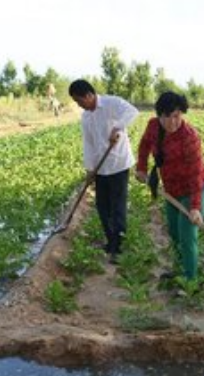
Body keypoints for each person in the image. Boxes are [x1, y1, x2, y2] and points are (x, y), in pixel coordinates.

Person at [136, 91, 204, 280]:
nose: (171, 122)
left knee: (187, 235)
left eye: (176, 116)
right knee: (174, 232)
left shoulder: (189, 137)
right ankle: (180, 269)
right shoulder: (153, 127)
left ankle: (190, 281)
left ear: (182, 114)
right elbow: (144, 145)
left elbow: (195, 175)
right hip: (171, 189)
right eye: (166, 116)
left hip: (193, 188)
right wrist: (141, 168)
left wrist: (194, 207)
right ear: (159, 115)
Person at [69, 79, 139, 263]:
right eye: (76, 103)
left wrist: (118, 127)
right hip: (101, 168)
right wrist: (89, 169)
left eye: (79, 101)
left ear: (89, 95)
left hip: (118, 164)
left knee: (117, 207)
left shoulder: (111, 103)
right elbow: (88, 145)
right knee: (102, 206)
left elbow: (132, 112)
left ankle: (119, 246)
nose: (79, 105)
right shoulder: (86, 117)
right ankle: (110, 241)